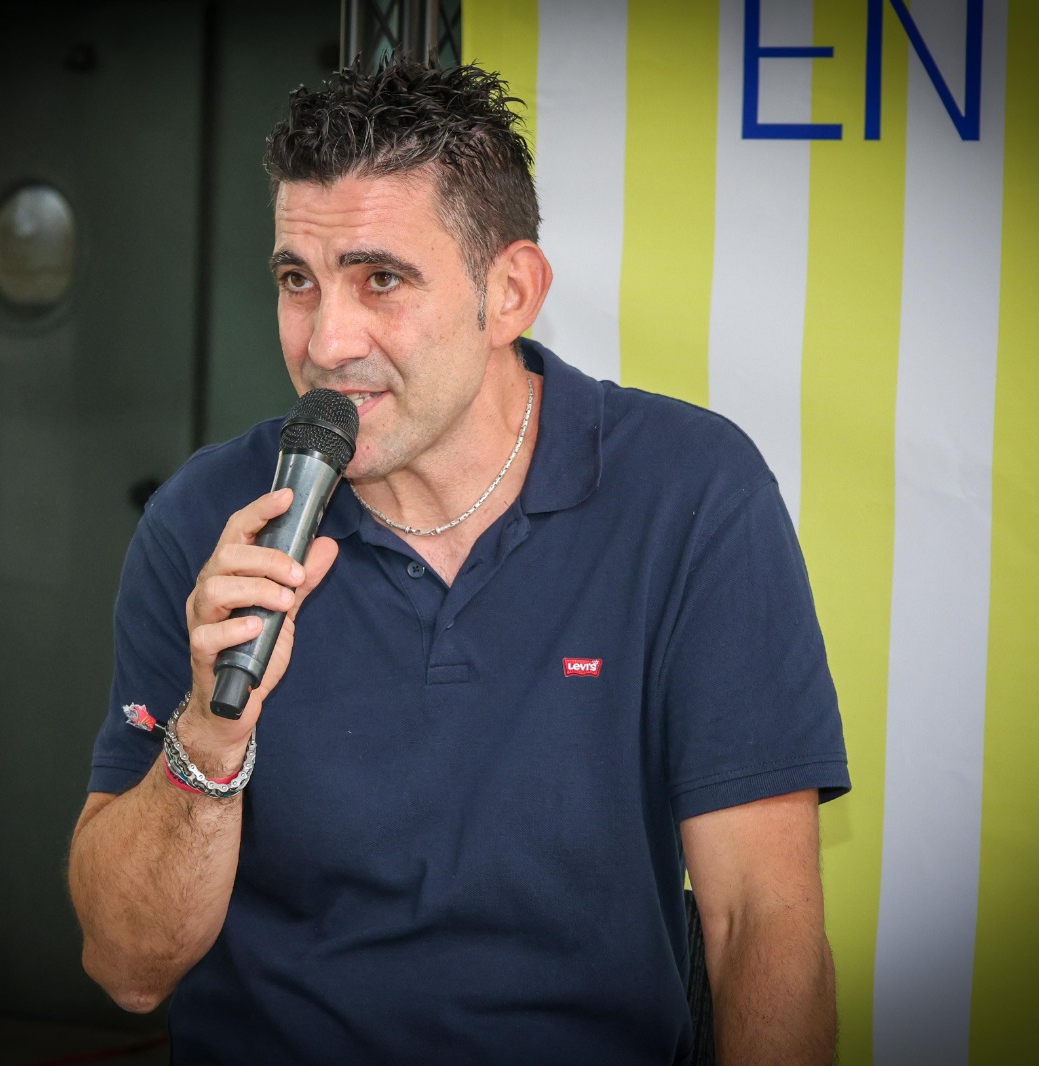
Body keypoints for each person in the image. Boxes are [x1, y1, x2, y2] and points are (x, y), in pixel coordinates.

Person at [67, 56, 848, 1066]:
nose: (326, 342)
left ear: (510, 292)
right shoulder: (208, 518)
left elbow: (759, 924)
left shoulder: (688, 493)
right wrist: (211, 736)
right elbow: (128, 967)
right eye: (298, 281)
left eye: (381, 280)